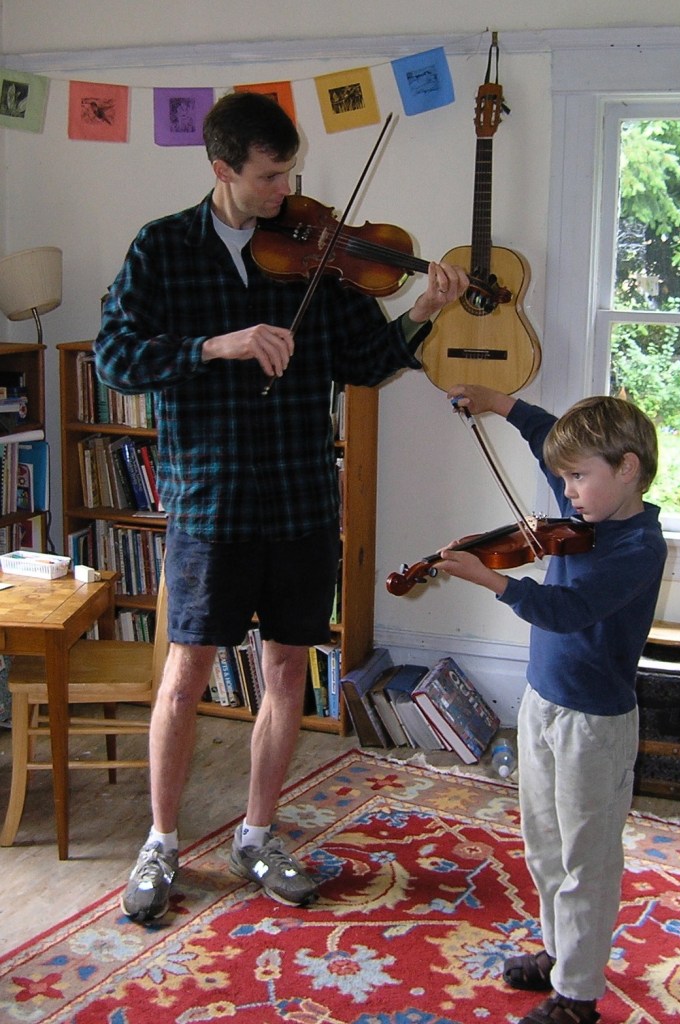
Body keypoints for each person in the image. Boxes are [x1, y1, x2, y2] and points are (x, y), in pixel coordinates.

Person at [94, 91, 467, 924]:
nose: (286, 188)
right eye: (270, 175)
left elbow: (367, 362)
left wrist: (426, 309)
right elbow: (117, 357)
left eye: (290, 170)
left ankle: (258, 835)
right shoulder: (163, 249)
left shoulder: (317, 256)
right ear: (222, 169)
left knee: (288, 669)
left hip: (300, 494)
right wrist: (216, 345)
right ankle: (160, 843)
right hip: (212, 497)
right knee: (186, 676)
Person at [436, 385, 667, 1024]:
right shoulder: (585, 516)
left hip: (595, 723)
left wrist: (493, 579)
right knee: (542, 843)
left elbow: (567, 611)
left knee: (586, 856)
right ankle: (560, 954)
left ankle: (579, 996)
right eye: (563, 478)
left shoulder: (639, 549)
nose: (566, 491)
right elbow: (545, 439)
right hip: (542, 702)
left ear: (628, 469)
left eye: (578, 478)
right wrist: (497, 401)